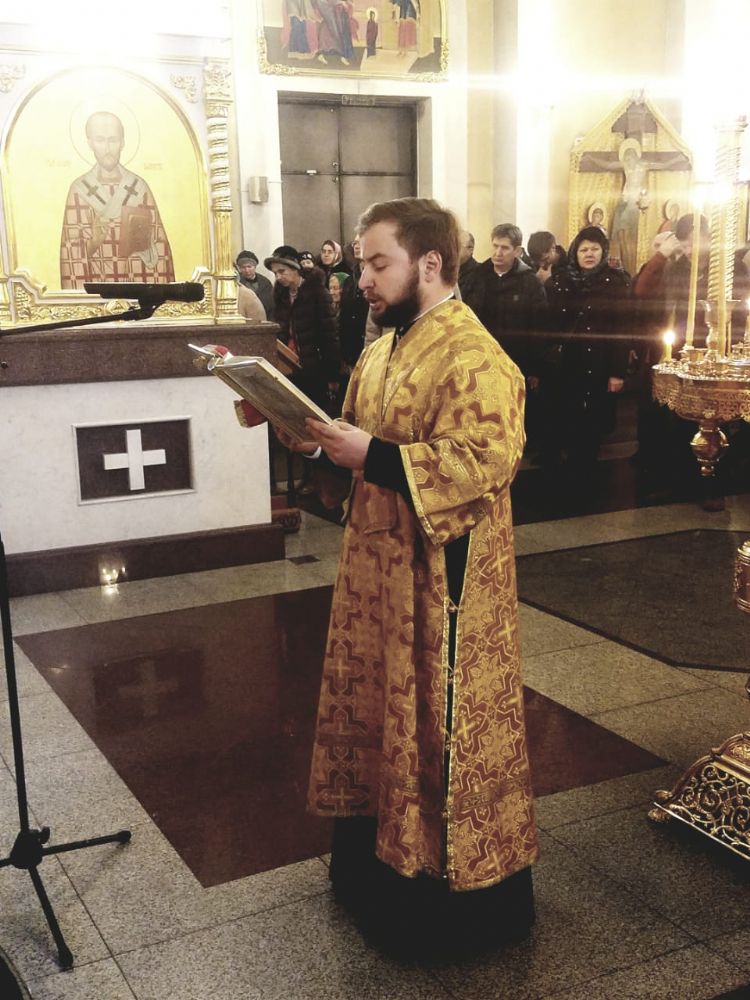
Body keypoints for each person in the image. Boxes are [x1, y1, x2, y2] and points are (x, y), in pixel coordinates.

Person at [289, 197, 538, 952]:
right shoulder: (382, 349)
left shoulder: (474, 355)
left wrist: (372, 455)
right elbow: (356, 437)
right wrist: (310, 436)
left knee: (433, 721)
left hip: (439, 584)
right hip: (376, 575)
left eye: (377, 264)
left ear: (430, 263)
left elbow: (487, 460)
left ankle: (440, 899)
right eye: (361, 264)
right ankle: (374, 871)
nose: (361, 280)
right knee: (379, 713)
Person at [546, 225, 632, 479]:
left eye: (595, 249)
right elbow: (549, 325)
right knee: (566, 415)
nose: (589, 254)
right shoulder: (560, 281)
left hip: (600, 363)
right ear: (575, 252)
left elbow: (623, 329)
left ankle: (585, 469)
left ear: (603, 252)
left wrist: (617, 373)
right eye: (584, 249)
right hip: (567, 363)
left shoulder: (616, 283)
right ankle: (566, 468)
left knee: (592, 421)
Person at [60, 111, 175, 289]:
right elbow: (69, 254)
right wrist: (93, 243)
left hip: (136, 288)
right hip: (98, 291)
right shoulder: (79, 190)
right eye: (100, 140)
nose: (107, 149)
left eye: (113, 140)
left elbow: (160, 248)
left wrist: (143, 248)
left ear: (122, 143)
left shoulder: (139, 188)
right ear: (90, 143)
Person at [235, 250, 274, 320]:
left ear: (255, 266)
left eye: (249, 266)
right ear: (239, 269)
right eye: (243, 267)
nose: (247, 270)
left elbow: (271, 305)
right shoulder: (237, 283)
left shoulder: (265, 283)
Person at [457, 229, 480, 300]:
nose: (452, 249)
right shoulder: (444, 271)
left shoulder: (480, 274)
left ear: (470, 250)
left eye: (458, 246)